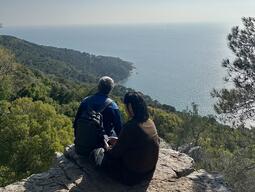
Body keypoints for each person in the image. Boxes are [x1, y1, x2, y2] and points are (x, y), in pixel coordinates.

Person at [90, 91, 160, 186]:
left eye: (126, 106)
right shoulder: (150, 122)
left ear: (130, 107)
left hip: (131, 177)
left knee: (96, 153)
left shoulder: (131, 126)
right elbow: (137, 142)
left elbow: (114, 154)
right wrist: (119, 141)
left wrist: (106, 146)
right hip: (148, 173)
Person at [73, 76, 122, 156]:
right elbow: (119, 130)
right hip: (100, 147)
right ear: (110, 90)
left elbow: (76, 124)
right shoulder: (113, 106)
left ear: (98, 87)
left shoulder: (85, 101)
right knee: (115, 134)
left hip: (81, 145)